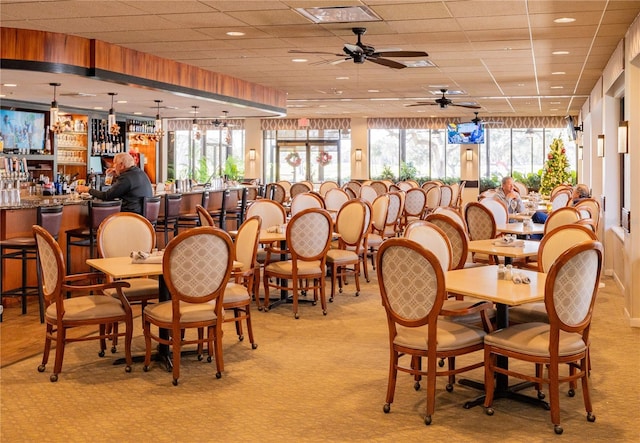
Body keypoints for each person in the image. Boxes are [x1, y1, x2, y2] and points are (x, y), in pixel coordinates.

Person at [76, 152, 152, 214]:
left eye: (115, 163)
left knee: (101, 215)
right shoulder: (139, 172)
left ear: (122, 165)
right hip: (142, 214)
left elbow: (107, 196)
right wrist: (117, 173)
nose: (113, 166)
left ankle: (101, 232)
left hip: (131, 216)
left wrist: (87, 189)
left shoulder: (126, 178)